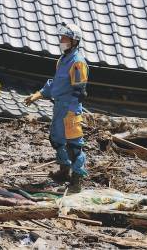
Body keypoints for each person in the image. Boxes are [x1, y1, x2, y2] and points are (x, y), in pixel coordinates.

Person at [25, 22, 89, 193]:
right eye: (61, 37)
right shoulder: (62, 60)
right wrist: (39, 94)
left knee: (74, 147)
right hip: (59, 106)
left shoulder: (78, 63)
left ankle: (76, 181)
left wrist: (72, 107)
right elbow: (57, 82)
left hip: (70, 108)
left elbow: (79, 89)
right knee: (57, 140)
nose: (62, 40)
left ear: (74, 41)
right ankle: (64, 171)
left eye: (65, 38)